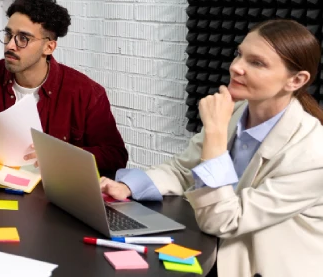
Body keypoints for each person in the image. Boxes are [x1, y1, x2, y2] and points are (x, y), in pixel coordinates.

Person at [101, 19, 323, 277]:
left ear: (296, 80)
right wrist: (130, 186)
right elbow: (183, 169)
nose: (236, 67)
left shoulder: (313, 153)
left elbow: (226, 220)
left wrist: (216, 136)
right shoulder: (236, 112)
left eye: (257, 63)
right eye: (240, 54)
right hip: (216, 246)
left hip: (262, 266)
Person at [0, 0, 129, 176]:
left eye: (23, 38)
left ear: (49, 47)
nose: (10, 45)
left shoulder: (87, 93)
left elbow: (116, 156)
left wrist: (65, 155)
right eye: (8, 34)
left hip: (54, 195)